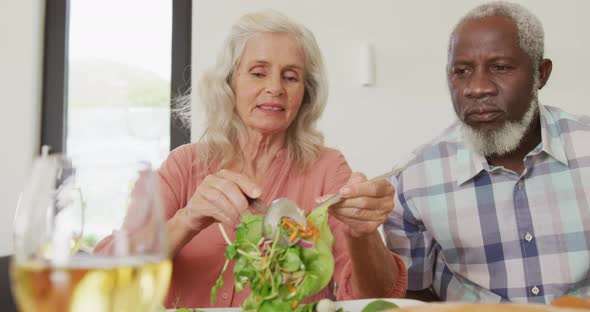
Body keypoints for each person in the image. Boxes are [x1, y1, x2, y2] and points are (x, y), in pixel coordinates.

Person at [97, 10, 407, 308]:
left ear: (305, 94)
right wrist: (187, 219)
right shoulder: (183, 166)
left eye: (291, 77)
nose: (275, 88)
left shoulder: (327, 169)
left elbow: (375, 296)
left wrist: (363, 234)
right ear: (229, 82)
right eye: (258, 73)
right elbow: (109, 278)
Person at [384, 1, 590, 304]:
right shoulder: (412, 180)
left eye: (500, 67)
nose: (477, 88)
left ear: (541, 74)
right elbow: (412, 293)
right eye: (462, 71)